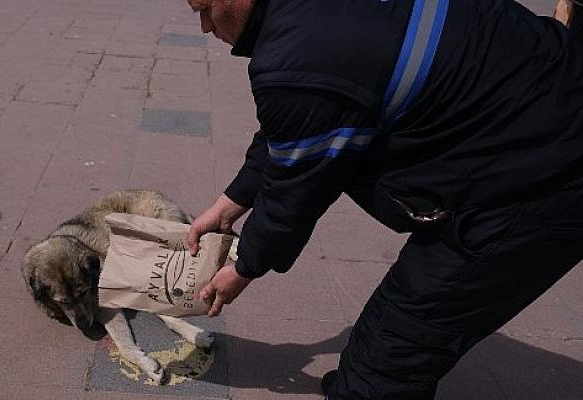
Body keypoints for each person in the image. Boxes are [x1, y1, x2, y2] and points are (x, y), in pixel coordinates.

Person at [184, 0, 583, 398]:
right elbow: (297, 123)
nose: (203, 26)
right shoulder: (305, 28)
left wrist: (244, 267)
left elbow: (293, 193)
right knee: (390, 335)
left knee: (394, 351)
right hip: (544, 96)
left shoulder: (294, 53)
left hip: (542, 175)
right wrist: (231, 201)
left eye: (204, 8)